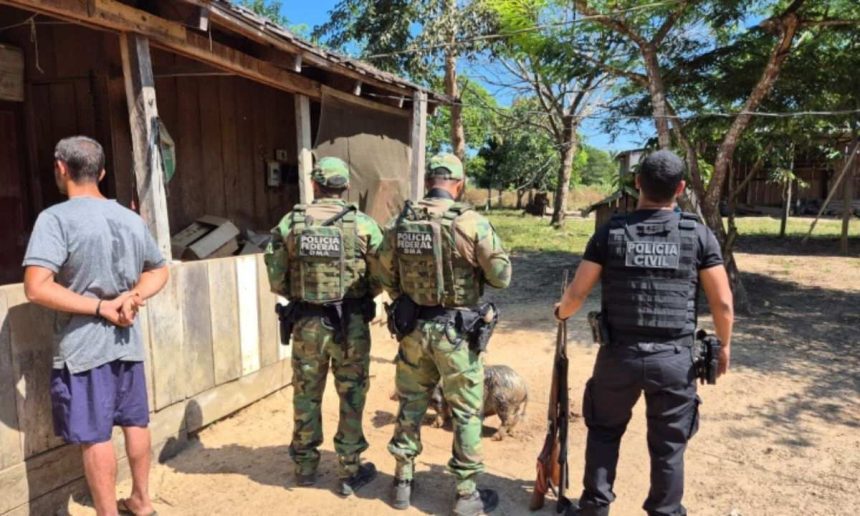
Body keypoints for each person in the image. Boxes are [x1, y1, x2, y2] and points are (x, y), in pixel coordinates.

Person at [554, 150, 734, 516]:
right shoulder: (697, 235)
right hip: (674, 361)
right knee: (669, 444)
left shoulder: (611, 232)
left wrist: (561, 313)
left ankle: (594, 508)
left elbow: (577, 293)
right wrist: (725, 345)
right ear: (680, 188)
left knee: (604, 432)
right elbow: (724, 304)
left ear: (637, 182)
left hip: (618, 356)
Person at [23, 136, 169, 516]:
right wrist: (133, 297)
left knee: (94, 435)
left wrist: (102, 306)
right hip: (128, 341)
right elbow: (160, 269)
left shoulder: (55, 219)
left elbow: (37, 288)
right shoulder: (130, 218)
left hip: (83, 348)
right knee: (135, 421)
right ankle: (142, 501)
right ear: (102, 172)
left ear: (60, 167)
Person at [379, 153, 512, 516]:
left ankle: (402, 483)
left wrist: (404, 297)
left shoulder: (398, 223)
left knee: (410, 403)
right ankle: (465, 494)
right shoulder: (471, 223)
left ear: (428, 182)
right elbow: (501, 276)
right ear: (459, 184)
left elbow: (382, 271)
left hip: (412, 331)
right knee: (468, 411)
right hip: (456, 333)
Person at [263, 156, 383, 497]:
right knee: (352, 393)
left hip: (306, 322)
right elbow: (383, 273)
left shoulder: (292, 223)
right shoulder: (364, 225)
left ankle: (304, 467)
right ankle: (349, 469)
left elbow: (276, 275)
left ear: (315, 185)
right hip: (351, 323)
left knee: (306, 393)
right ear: (345, 187)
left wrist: (300, 294)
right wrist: (361, 295)